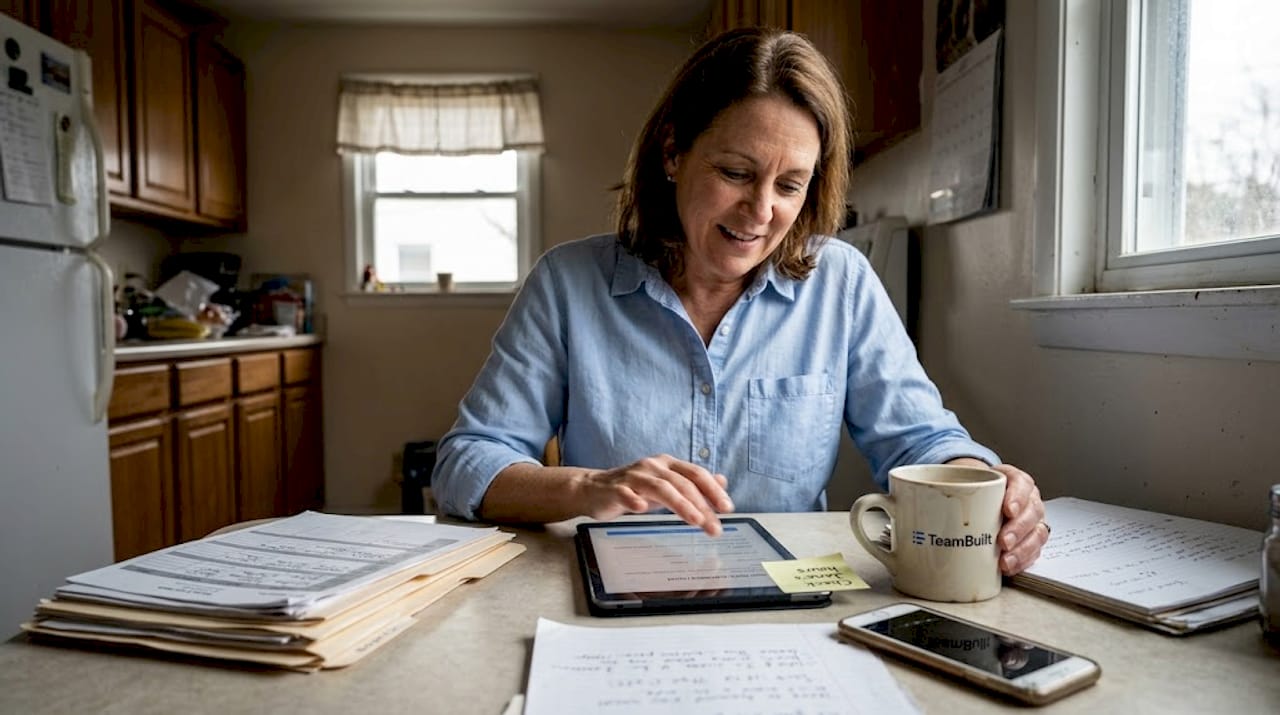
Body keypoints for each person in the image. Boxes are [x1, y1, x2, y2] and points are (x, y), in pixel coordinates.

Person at [432, 27, 1048, 575]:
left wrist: (988, 481)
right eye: (735, 173)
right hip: (620, 594)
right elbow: (467, 461)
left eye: (789, 185)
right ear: (673, 154)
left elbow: (919, 441)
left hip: (790, 605)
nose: (761, 212)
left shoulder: (841, 283)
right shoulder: (568, 283)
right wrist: (588, 487)